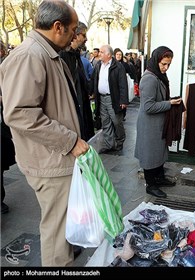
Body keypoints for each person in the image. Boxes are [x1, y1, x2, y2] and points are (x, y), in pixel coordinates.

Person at [0, 0, 89, 266]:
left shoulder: (46, 52)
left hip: (56, 159)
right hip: (50, 161)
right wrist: (70, 140)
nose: (76, 36)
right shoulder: (30, 55)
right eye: (73, 30)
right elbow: (19, 113)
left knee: (60, 229)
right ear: (57, 26)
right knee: (57, 234)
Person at [134, 46, 182, 199]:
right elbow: (148, 106)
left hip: (158, 123)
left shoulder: (158, 75)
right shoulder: (149, 78)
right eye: (163, 64)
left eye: (168, 64)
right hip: (150, 125)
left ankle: (159, 178)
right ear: (156, 61)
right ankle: (151, 185)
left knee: (159, 153)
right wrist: (170, 103)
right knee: (150, 155)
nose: (166, 68)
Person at [59, 21, 95, 141]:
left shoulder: (76, 56)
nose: (86, 39)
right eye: (84, 35)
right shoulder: (62, 56)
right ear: (76, 35)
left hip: (82, 110)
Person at [91, 45, 129, 153]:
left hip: (114, 99)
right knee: (105, 122)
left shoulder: (118, 66)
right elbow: (94, 79)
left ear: (108, 54)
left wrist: (123, 100)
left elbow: (123, 84)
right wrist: (91, 91)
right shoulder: (98, 65)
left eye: (102, 52)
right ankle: (108, 144)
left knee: (117, 121)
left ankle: (120, 141)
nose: (99, 54)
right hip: (102, 98)